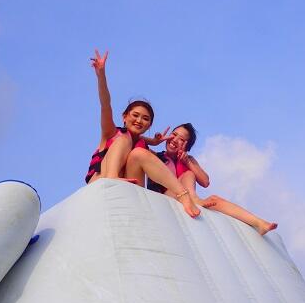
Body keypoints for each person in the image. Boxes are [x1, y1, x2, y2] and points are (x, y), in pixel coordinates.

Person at [85, 50, 200, 218]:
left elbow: (158, 166)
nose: (139, 120)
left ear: (150, 125)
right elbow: (105, 104)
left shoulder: (142, 146)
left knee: (139, 153)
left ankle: (183, 195)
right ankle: (112, 177)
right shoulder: (111, 133)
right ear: (124, 117)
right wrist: (101, 75)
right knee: (124, 139)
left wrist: (155, 144)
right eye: (135, 115)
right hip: (103, 181)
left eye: (145, 119)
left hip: (130, 188)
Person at [147, 123, 277, 235]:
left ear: (186, 145)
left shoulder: (188, 160)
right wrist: (154, 142)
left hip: (191, 198)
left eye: (181, 139)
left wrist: (187, 162)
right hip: (167, 195)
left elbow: (205, 181)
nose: (174, 140)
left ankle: (259, 223)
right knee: (188, 178)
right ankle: (196, 200)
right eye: (173, 135)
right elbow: (135, 141)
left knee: (209, 194)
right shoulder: (155, 156)